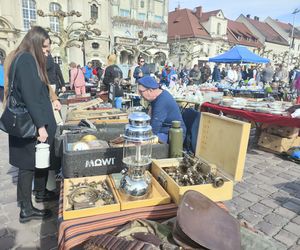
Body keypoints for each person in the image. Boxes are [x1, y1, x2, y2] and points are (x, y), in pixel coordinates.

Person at [3, 26, 58, 223]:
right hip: (31, 123)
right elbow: (30, 96)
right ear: (35, 43)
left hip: (35, 119)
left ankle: (41, 192)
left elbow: (37, 89)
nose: (46, 52)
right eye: (44, 47)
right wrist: (41, 126)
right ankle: (26, 208)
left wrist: (53, 99)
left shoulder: (26, 57)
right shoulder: (26, 59)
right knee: (27, 166)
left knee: (40, 159)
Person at [138, 76, 186, 143]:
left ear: (150, 90)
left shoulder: (161, 102)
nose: (140, 94)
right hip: (164, 130)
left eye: (141, 92)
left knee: (144, 140)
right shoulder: (157, 97)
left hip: (173, 135)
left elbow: (154, 128)